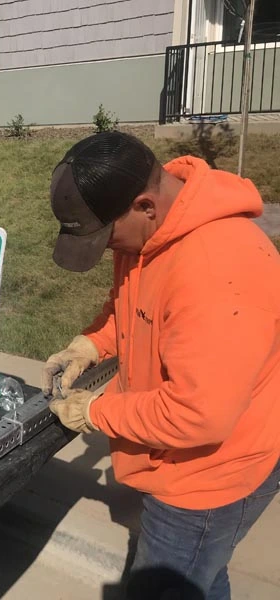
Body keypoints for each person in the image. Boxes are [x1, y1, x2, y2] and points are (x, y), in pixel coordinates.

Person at [42, 131, 280, 600]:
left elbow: (197, 415)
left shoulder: (215, 271)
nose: (108, 250)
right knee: (203, 574)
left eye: (106, 236)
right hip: (186, 453)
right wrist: (91, 343)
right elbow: (131, 306)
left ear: (145, 205)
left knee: (168, 584)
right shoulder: (150, 236)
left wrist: (96, 412)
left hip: (210, 475)